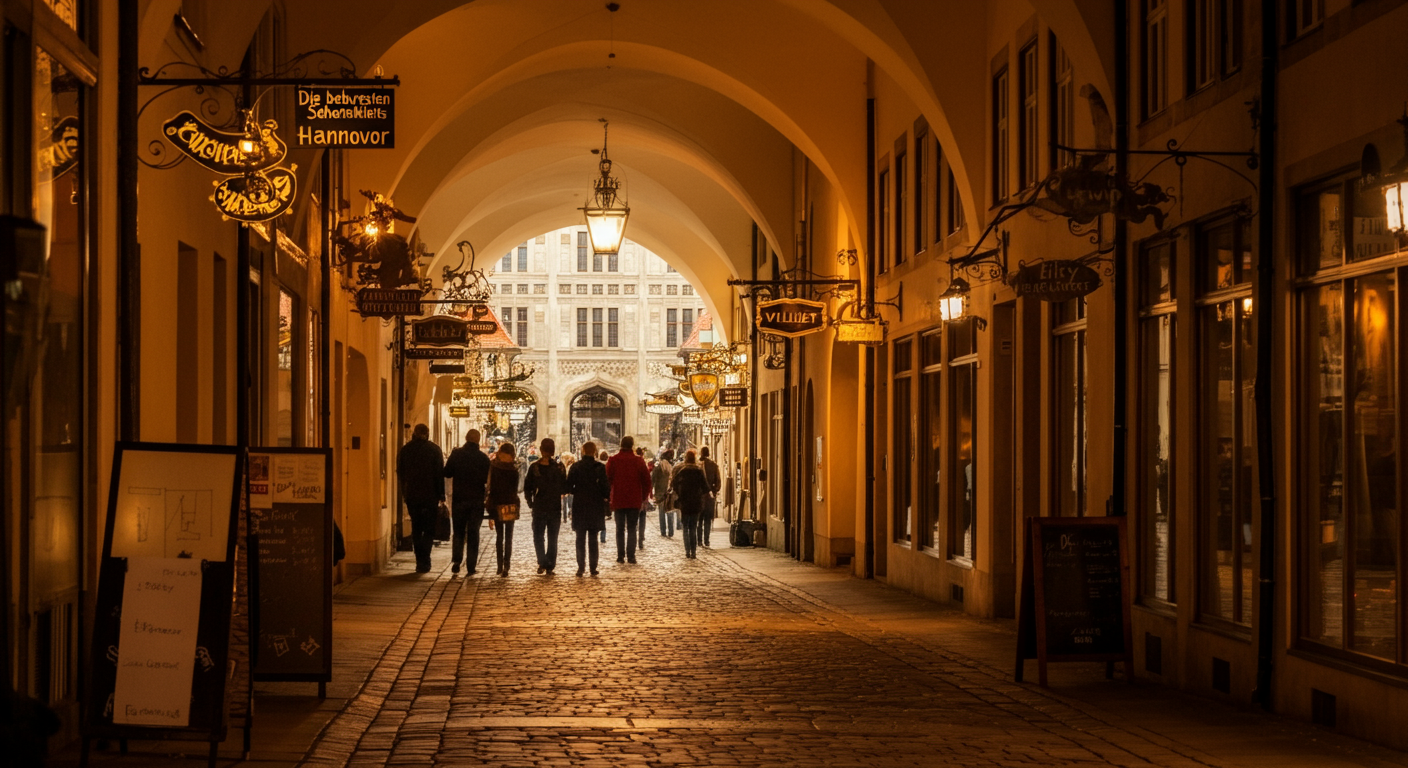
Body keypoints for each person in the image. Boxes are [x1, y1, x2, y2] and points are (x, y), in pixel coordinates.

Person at [397, 423, 446, 573]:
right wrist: (441, 495)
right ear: (427, 433)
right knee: (429, 529)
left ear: (414, 433)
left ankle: (419, 560)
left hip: (413, 495)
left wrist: (405, 493)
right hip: (430, 496)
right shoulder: (434, 450)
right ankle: (426, 559)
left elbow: (400, 473)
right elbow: (439, 475)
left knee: (417, 528)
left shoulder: (406, 450)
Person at [443, 428, 492, 575]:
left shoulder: (457, 454)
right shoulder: (483, 458)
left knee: (458, 531)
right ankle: (471, 566)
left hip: (459, 499)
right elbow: (486, 480)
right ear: (478, 440)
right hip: (476, 500)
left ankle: (457, 561)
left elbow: (447, 472)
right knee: (473, 533)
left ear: (465, 438)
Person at [567, 441, 611, 576]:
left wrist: (578, 491)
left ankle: (581, 567)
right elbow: (606, 489)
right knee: (593, 538)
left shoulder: (576, 467)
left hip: (580, 505)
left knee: (580, 538)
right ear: (594, 452)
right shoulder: (600, 467)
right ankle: (593, 567)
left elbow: (568, 487)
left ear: (583, 451)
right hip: (595, 506)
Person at [524, 437, 567, 575]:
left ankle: (542, 561)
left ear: (541, 450)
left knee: (538, 535)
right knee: (552, 537)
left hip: (540, 505)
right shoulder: (560, 467)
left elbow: (527, 487)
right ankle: (550, 565)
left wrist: (531, 502)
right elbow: (564, 487)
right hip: (554, 506)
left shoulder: (534, 467)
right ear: (553, 450)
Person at [605, 435, 651, 564]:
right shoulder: (639, 461)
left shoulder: (613, 460)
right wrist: (644, 497)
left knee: (619, 529)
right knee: (632, 528)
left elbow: (607, 480)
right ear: (632, 445)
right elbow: (647, 481)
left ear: (621, 445)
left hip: (618, 499)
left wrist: (609, 496)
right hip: (634, 499)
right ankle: (631, 556)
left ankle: (620, 556)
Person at [486, 443, 522, 576]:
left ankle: (501, 565)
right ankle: (505, 565)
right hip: (509, 504)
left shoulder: (494, 467)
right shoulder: (514, 469)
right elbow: (515, 489)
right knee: (506, 536)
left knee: (501, 536)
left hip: (498, 504)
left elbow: (491, 488)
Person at [671, 450, 710, 559]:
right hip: (696, 502)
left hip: (684, 502)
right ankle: (693, 551)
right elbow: (705, 487)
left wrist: (679, 494)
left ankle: (687, 551)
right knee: (693, 527)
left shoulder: (682, 471)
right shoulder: (699, 471)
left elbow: (673, 484)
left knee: (685, 527)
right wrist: (700, 495)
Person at [699, 445, 722, 548]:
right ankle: (706, 540)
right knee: (707, 519)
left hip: (698, 497)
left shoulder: (697, 465)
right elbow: (718, 482)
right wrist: (714, 491)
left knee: (699, 520)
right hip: (709, 497)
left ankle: (699, 540)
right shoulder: (713, 465)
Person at [652, 449, 675, 538]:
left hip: (660, 493)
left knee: (661, 513)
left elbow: (653, 480)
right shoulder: (671, 467)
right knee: (669, 511)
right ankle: (671, 531)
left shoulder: (658, 468)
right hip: (669, 492)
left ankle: (663, 531)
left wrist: (653, 491)